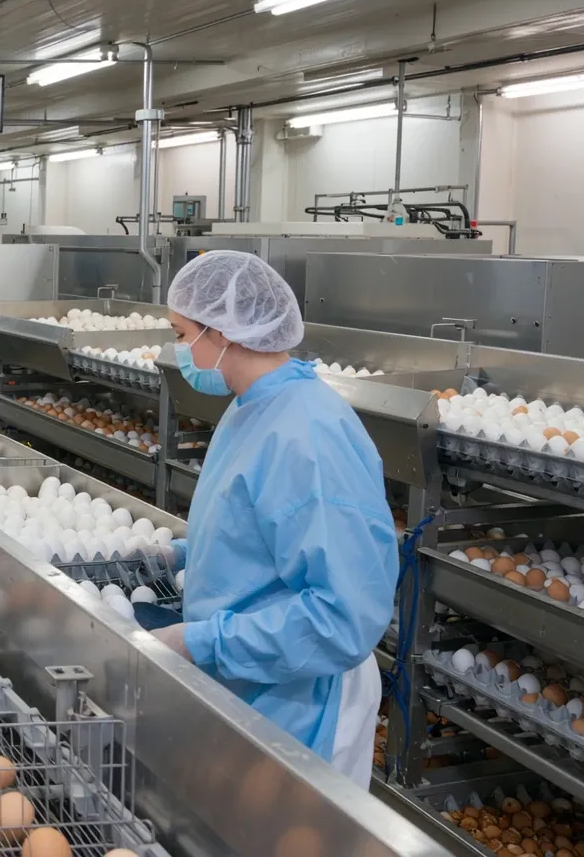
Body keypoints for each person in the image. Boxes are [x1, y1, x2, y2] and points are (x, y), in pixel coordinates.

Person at [147, 250, 395, 786]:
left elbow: (340, 618)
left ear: (221, 332)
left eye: (181, 333)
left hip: (305, 696)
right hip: (252, 676)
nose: (179, 349)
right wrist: (183, 555)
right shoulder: (251, 407)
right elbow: (256, 529)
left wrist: (201, 642)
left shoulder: (310, 434)